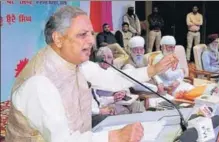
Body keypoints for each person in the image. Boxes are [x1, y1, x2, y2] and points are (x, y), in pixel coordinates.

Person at [5, 6, 179, 142]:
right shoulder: (39, 82)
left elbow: (111, 79)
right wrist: (115, 137)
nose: (91, 41)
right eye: (82, 35)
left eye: (91, 33)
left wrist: (153, 70)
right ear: (58, 39)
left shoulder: (75, 64)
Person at [93, 47, 145, 114]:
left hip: (122, 100)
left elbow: (124, 86)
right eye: (102, 57)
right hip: (106, 103)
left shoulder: (113, 70)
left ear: (112, 60)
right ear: (98, 59)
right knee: (124, 112)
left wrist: (123, 92)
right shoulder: (94, 73)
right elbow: (96, 97)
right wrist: (113, 97)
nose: (105, 60)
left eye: (109, 57)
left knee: (138, 106)